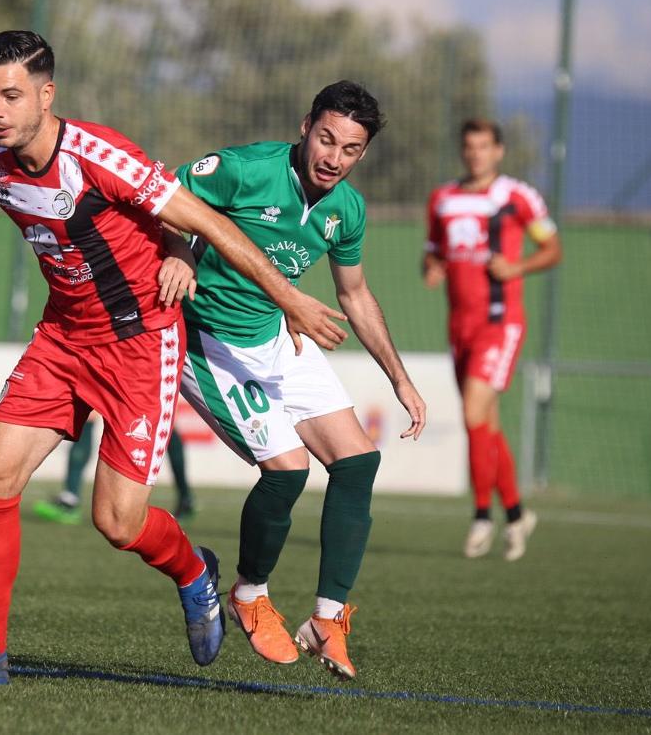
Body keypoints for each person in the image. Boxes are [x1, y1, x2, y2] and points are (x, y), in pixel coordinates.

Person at [0, 30, 348, 686]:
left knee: (116, 520)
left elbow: (209, 222)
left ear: (47, 95)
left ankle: (194, 571)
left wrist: (289, 299)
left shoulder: (97, 155)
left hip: (141, 344)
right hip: (62, 339)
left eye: (12, 95)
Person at [175, 81, 426, 681]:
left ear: (363, 154)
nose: (333, 157)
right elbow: (161, 193)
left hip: (276, 338)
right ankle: (248, 593)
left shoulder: (349, 210)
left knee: (359, 460)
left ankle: (327, 619)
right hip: (207, 342)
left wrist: (400, 380)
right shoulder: (244, 169)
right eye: (326, 138)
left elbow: (355, 295)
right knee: (288, 469)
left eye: (350, 148)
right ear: (307, 124)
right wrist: (177, 253)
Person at [423, 118, 562, 561]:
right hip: (459, 325)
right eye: (469, 146)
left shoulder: (516, 197)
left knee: (471, 411)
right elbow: (433, 252)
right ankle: (517, 514)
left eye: (484, 146)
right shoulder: (442, 199)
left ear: (498, 151)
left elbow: (552, 248)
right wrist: (431, 267)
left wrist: (519, 267)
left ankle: (483, 514)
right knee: (486, 423)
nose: (476, 154)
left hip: (500, 322)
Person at [32, 418, 196, 523]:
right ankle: (70, 498)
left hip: (145, 366)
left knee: (159, 419)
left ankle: (70, 499)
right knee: (91, 410)